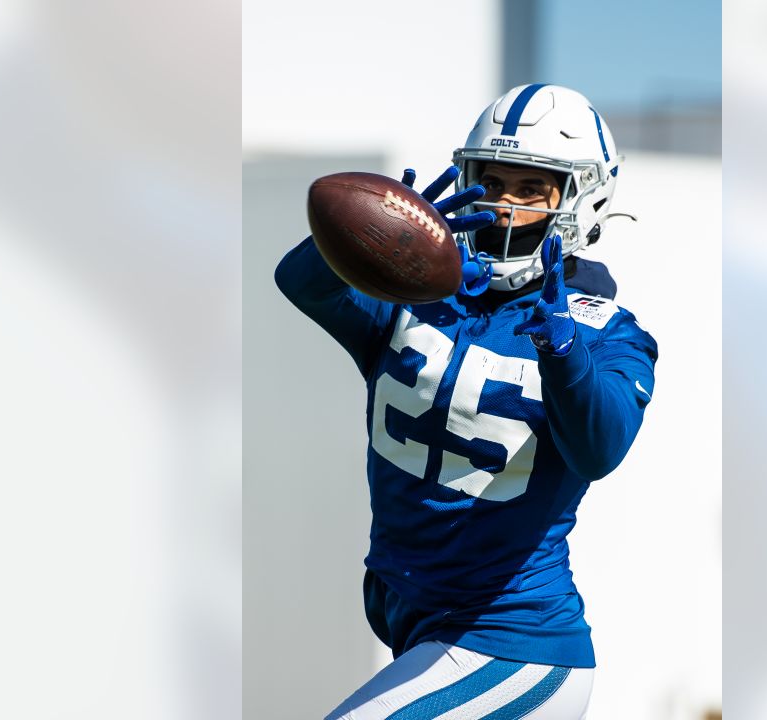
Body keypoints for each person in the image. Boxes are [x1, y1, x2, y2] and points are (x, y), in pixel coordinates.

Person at [276, 84, 659, 719]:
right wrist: (392, 228)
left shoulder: (607, 332)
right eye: (491, 180)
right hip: (419, 618)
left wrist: (561, 346)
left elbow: (600, 448)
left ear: (581, 198)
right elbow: (301, 281)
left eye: (532, 187)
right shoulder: (420, 298)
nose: (504, 205)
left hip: (513, 644)